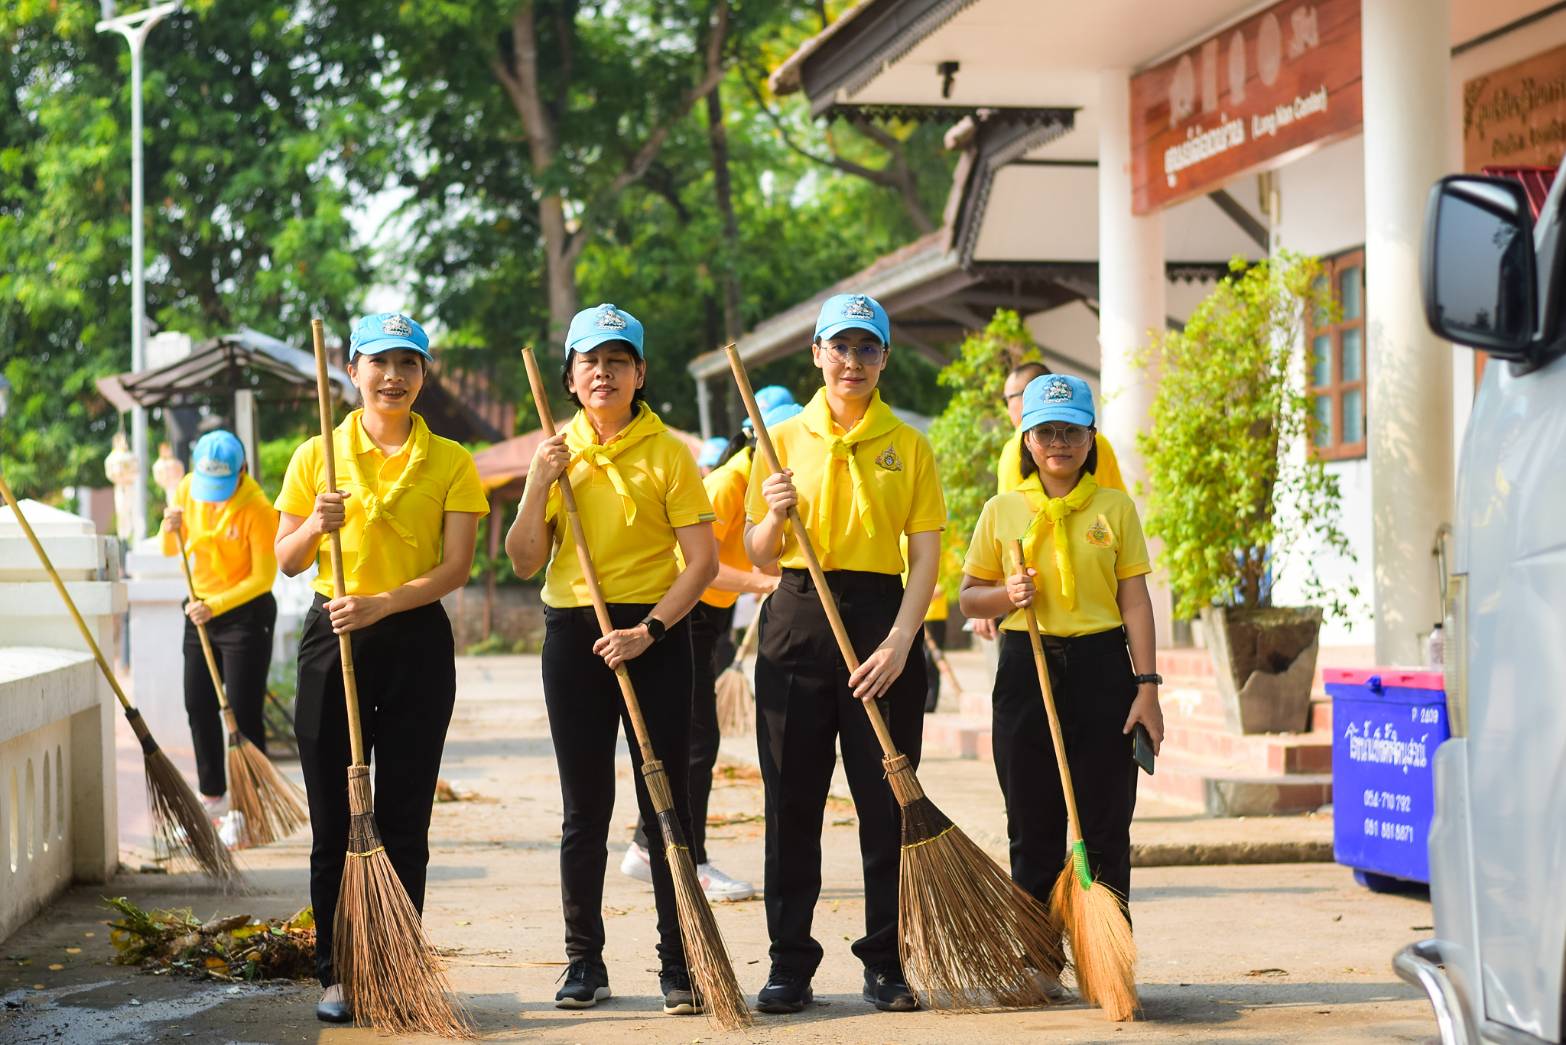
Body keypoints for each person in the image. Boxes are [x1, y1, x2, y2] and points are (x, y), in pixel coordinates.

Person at [273, 312, 488, 1024]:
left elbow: (455, 567)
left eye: (409, 364)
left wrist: (383, 604)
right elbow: (287, 558)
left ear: (424, 374)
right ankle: (336, 972)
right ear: (353, 369)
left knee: (404, 816)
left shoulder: (453, 460)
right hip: (332, 637)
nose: (393, 377)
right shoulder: (317, 455)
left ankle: (396, 966)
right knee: (335, 818)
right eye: (380, 362)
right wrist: (314, 525)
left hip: (415, 640)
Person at [505, 303, 718, 1016]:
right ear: (569, 376)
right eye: (590, 361)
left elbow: (703, 563)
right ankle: (582, 961)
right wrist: (538, 483)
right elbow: (524, 558)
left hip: (654, 635)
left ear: (640, 373)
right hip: (573, 632)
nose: (604, 371)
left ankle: (679, 962)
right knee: (584, 807)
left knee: (668, 805)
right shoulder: (555, 451)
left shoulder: (669, 453)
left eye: (618, 360)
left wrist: (649, 630)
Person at [745, 292, 945, 1015]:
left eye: (867, 348)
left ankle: (886, 962)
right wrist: (771, 513)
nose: (852, 361)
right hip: (797, 618)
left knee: (886, 804)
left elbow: (925, 558)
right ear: (816, 354)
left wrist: (900, 639)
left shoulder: (911, 445)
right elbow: (758, 554)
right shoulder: (779, 438)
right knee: (790, 802)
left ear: (884, 356)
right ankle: (788, 963)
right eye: (840, 346)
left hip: (879, 624)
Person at [958, 373, 1163, 947]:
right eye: (1046, 431)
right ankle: (1037, 954)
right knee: (1033, 823)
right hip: (1028, 665)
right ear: (1026, 440)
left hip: (1104, 667)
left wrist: (1147, 686)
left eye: (1072, 430)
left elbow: (1135, 601)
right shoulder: (1001, 510)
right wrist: (1008, 597)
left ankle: (1108, 953)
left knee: (1105, 822)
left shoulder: (1115, 508)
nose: (1059, 443)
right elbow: (969, 596)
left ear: (1091, 437)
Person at [621, 390, 802, 902]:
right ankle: (687, 860)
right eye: (775, 439)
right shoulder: (727, 484)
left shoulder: (775, 486)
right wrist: (765, 586)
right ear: (753, 439)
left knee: (697, 742)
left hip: (715, 619)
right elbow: (698, 563)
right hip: (687, 616)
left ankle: (645, 845)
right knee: (696, 744)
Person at [160, 429, 279, 832]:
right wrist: (168, 527)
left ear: (242, 471)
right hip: (199, 609)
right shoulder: (188, 489)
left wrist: (216, 606)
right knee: (198, 703)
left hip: (245, 614)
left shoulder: (259, 509)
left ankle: (249, 810)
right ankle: (211, 797)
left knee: (243, 711)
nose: (214, 495)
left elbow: (264, 578)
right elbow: (171, 550)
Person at [974, 361, 1125, 647]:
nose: (1059, 442)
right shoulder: (1095, 441)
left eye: (1010, 399)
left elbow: (1012, 536)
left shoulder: (1016, 446)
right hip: (1084, 603)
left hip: (1050, 610)